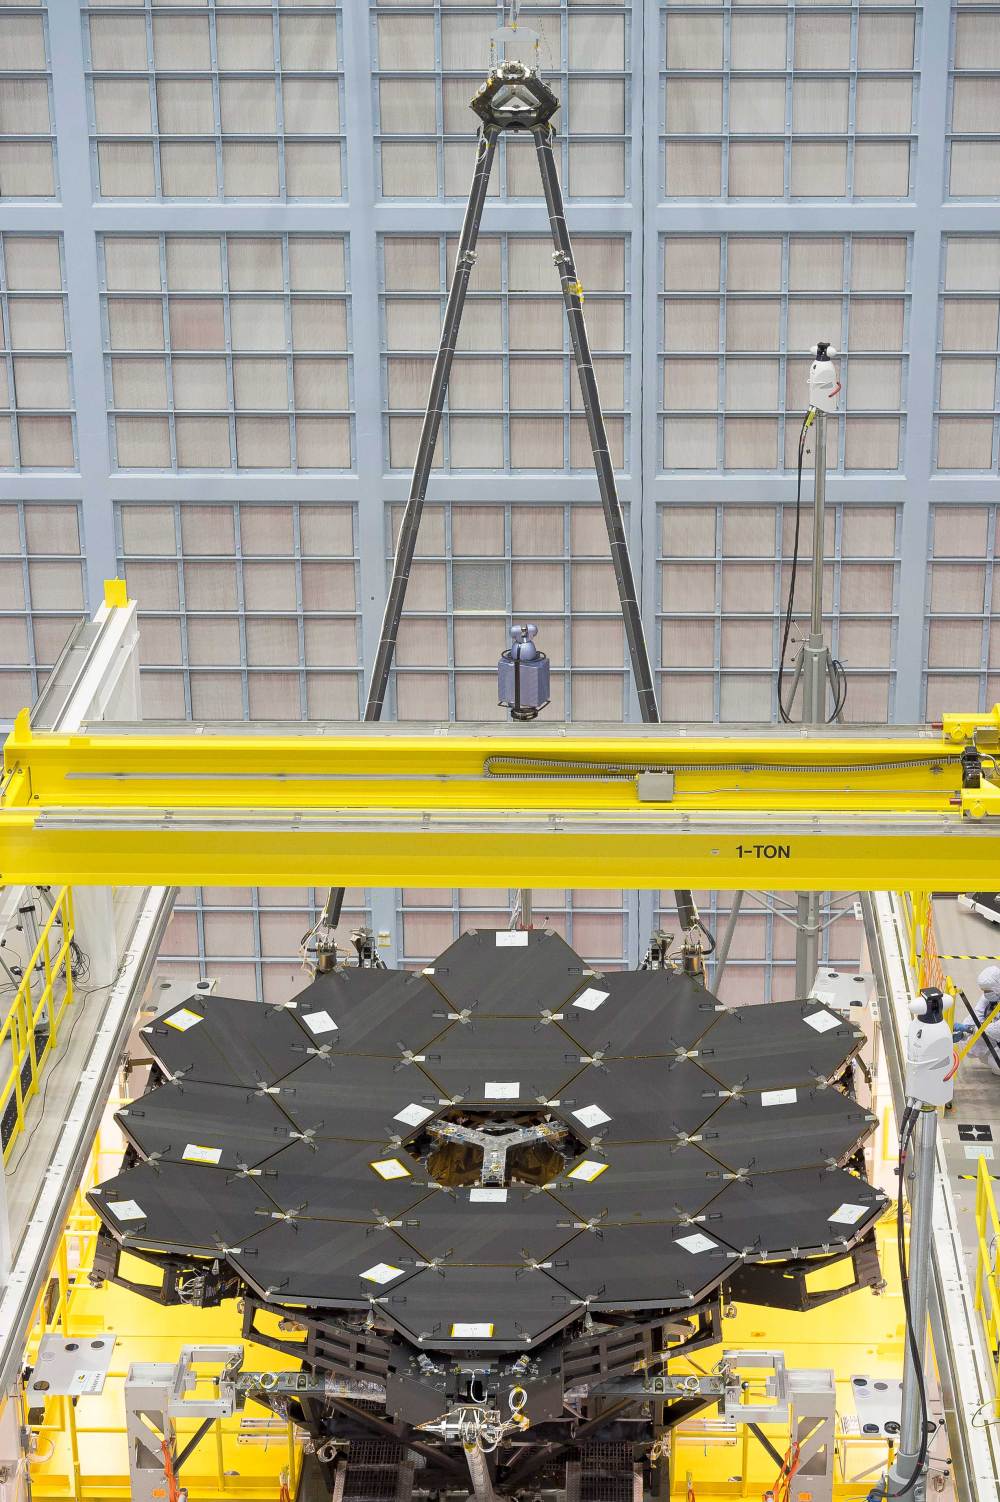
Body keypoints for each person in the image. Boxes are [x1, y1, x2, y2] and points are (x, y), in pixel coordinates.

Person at [972, 964, 1000, 1074]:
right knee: (971, 1042)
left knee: (996, 1063)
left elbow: (997, 1030)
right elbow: (977, 1013)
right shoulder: (994, 992)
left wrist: (971, 1029)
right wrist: (964, 1030)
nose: (985, 994)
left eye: (987, 991)